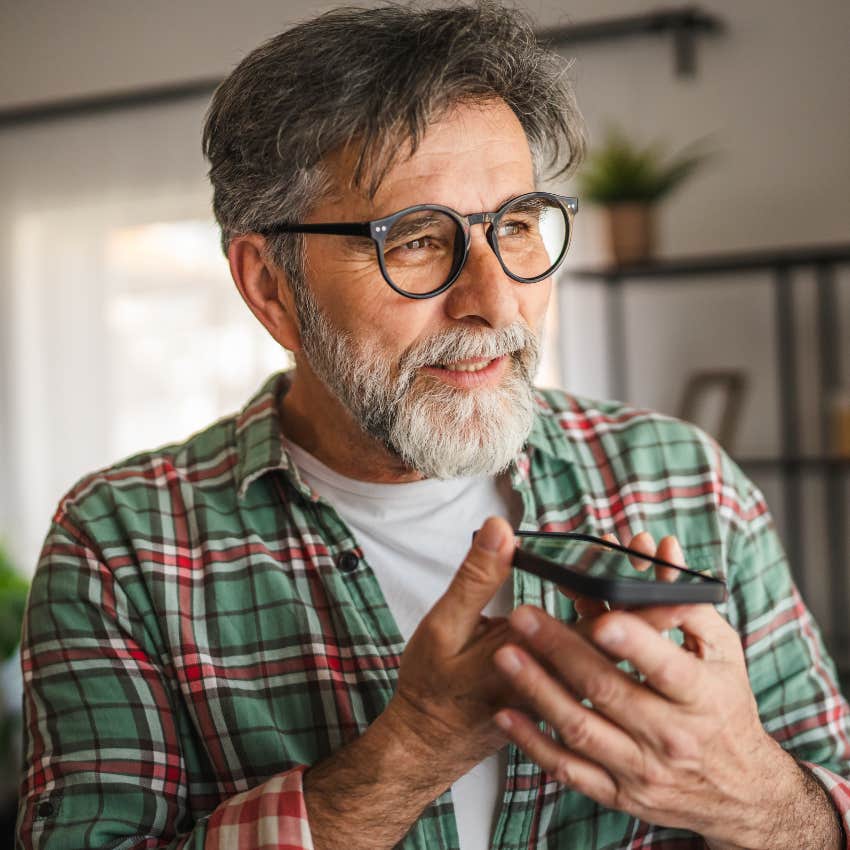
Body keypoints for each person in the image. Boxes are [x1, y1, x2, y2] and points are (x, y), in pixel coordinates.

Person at [16, 3, 850, 849]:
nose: (493, 303)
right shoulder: (121, 546)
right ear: (270, 286)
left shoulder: (681, 478)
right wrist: (413, 747)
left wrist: (746, 790)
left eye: (517, 227)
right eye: (415, 240)